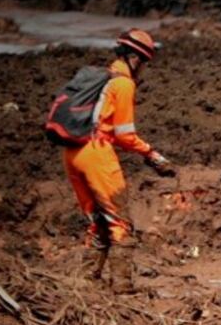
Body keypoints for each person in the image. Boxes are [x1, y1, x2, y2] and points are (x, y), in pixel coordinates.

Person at [62, 28, 174, 293]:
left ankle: (86, 282)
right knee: (119, 222)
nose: (144, 69)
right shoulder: (123, 84)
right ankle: (122, 286)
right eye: (144, 63)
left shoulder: (101, 79)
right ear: (135, 59)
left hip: (72, 152)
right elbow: (125, 136)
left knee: (96, 220)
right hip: (96, 153)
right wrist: (152, 154)